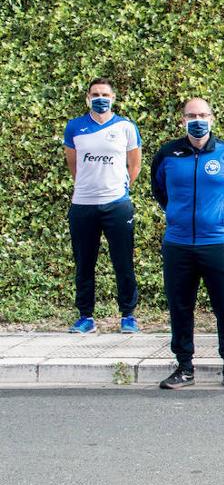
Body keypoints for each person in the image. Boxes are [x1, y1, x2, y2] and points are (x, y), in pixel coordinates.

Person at [150, 98, 224, 390]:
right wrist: (179, 216)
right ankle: (184, 367)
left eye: (203, 114)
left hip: (217, 242)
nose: (198, 119)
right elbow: (159, 191)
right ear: (182, 120)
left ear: (212, 118)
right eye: (191, 115)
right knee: (180, 306)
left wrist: (217, 218)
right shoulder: (168, 154)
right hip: (178, 243)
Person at [63, 78, 143, 335]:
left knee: (123, 262)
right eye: (95, 94)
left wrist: (119, 187)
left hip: (117, 205)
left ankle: (128, 316)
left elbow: (135, 164)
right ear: (87, 98)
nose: (100, 98)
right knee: (84, 263)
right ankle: (86, 317)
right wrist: (89, 186)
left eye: (105, 94)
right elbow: (74, 165)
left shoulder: (126, 127)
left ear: (113, 98)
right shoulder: (74, 127)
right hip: (83, 205)